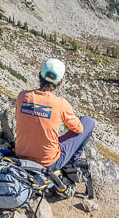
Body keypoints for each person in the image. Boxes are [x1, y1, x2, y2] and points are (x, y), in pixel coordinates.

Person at [15, 58, 95, 192]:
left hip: (21, 154)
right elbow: (79, 128)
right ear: (60, 82)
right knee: (88, 122)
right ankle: (71, 163)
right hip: (48, 162)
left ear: (39, 75)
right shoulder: (60, 103)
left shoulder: (22, 96)